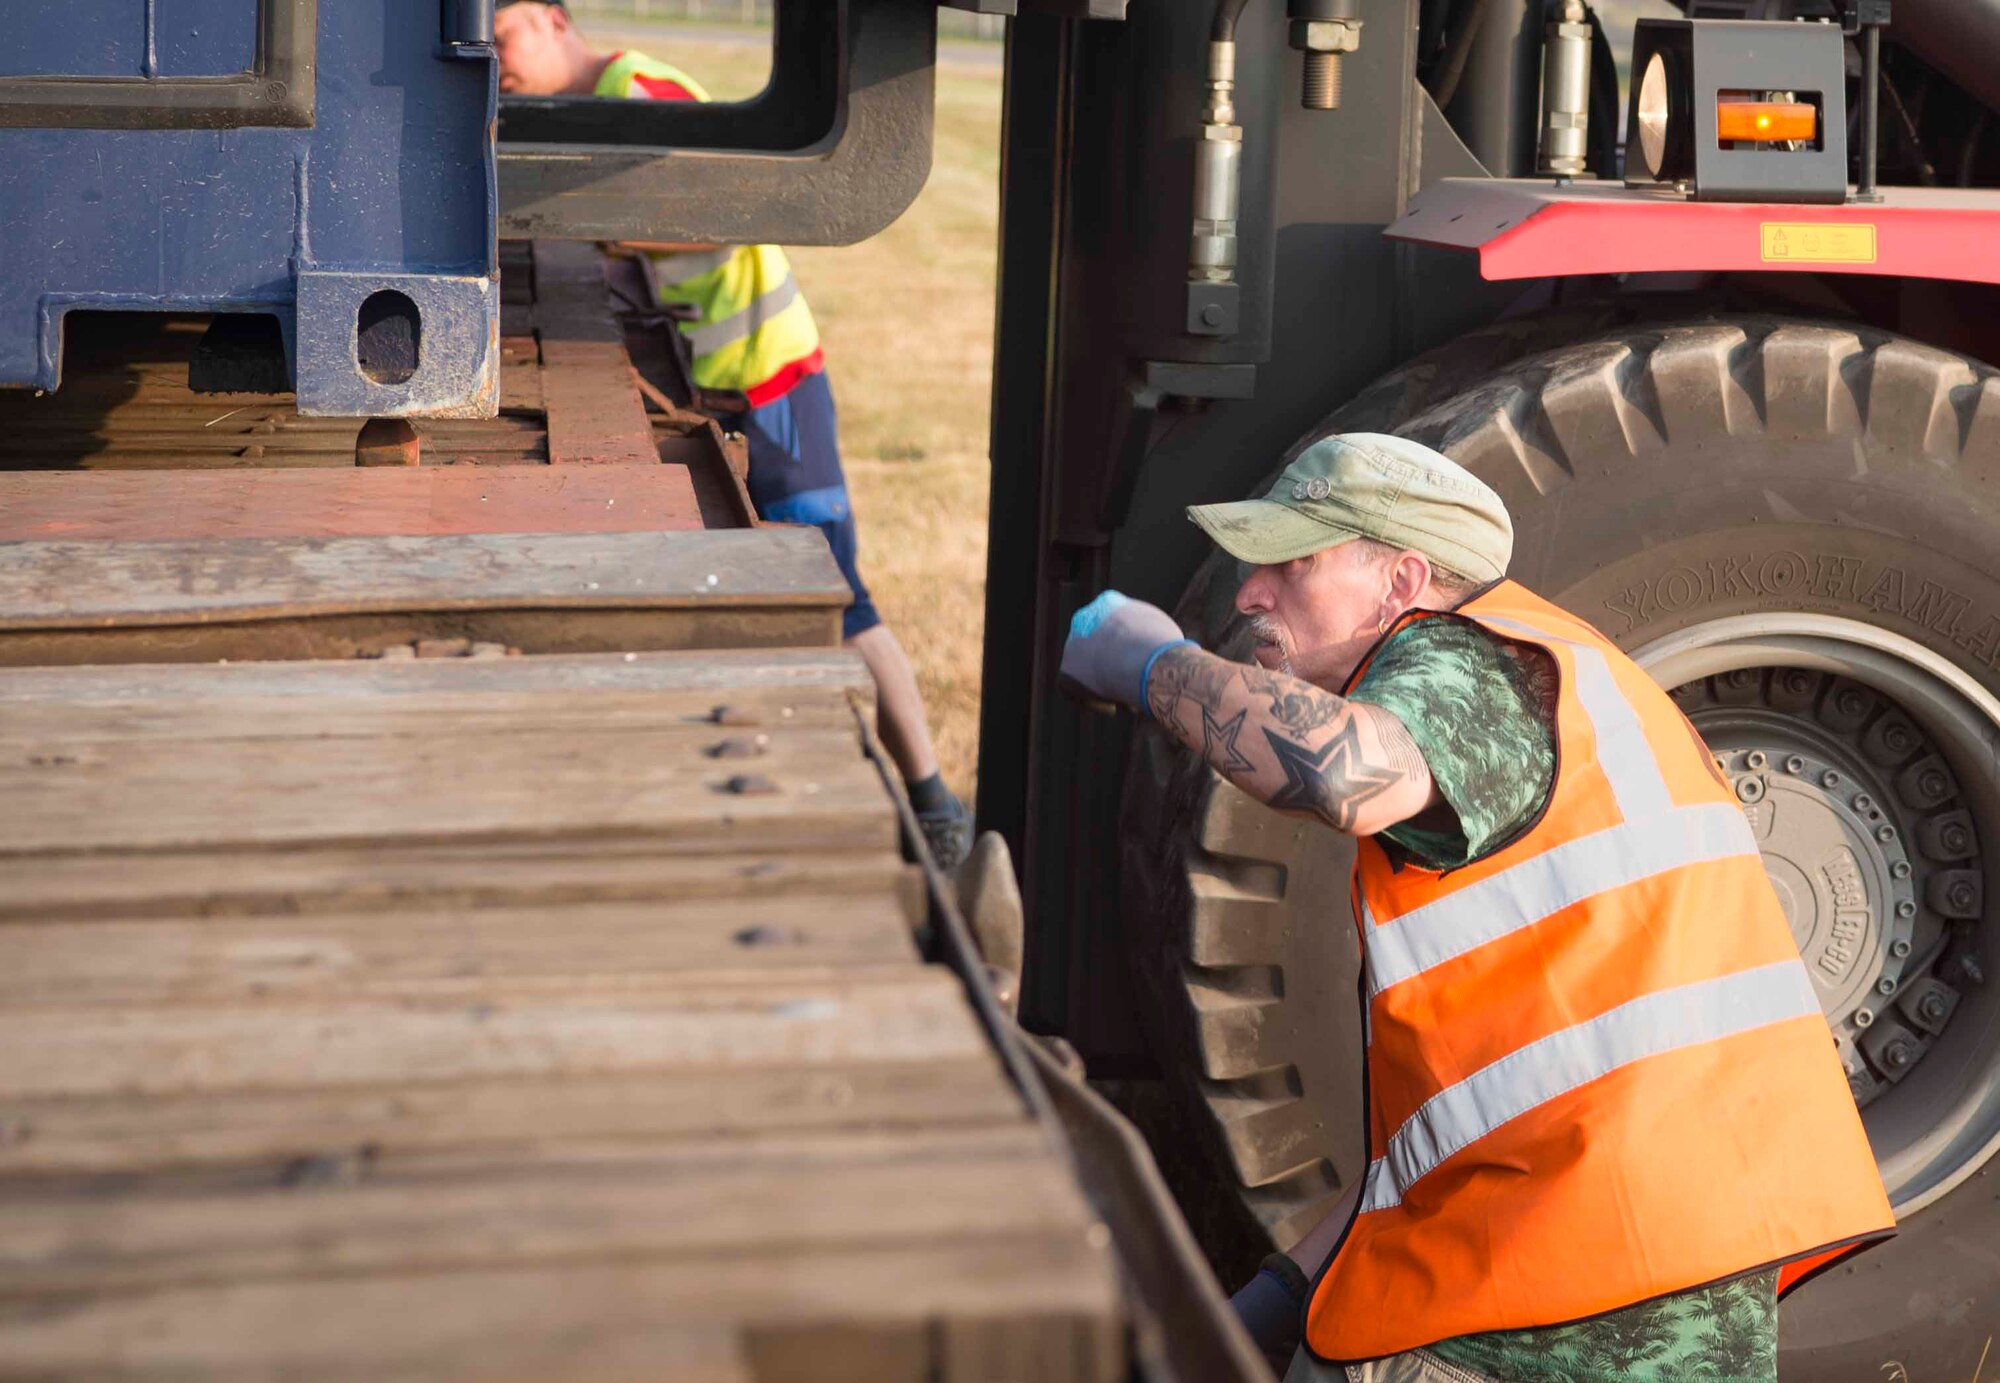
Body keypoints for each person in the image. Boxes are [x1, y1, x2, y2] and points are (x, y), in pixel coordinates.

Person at [1060, 433, 1896, 1383]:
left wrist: (1151, 665)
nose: (1252, 593)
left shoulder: (1471, 662)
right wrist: (1266, 1305)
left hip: (1561, 1299)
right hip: (1650, 1273)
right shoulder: (1564, 682)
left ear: (1403, 580)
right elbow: (1459, 1138)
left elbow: (1345, 773)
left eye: (1291, 564)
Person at [493, 0, 972, 866]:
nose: (500, 59)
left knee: (836, 595)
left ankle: (933, 800)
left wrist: (595, 225)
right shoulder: (600, 98)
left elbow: (726, 207)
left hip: (770, 381)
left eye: (505, 35)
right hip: (728, 382)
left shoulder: (636, 87)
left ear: (557, 21)